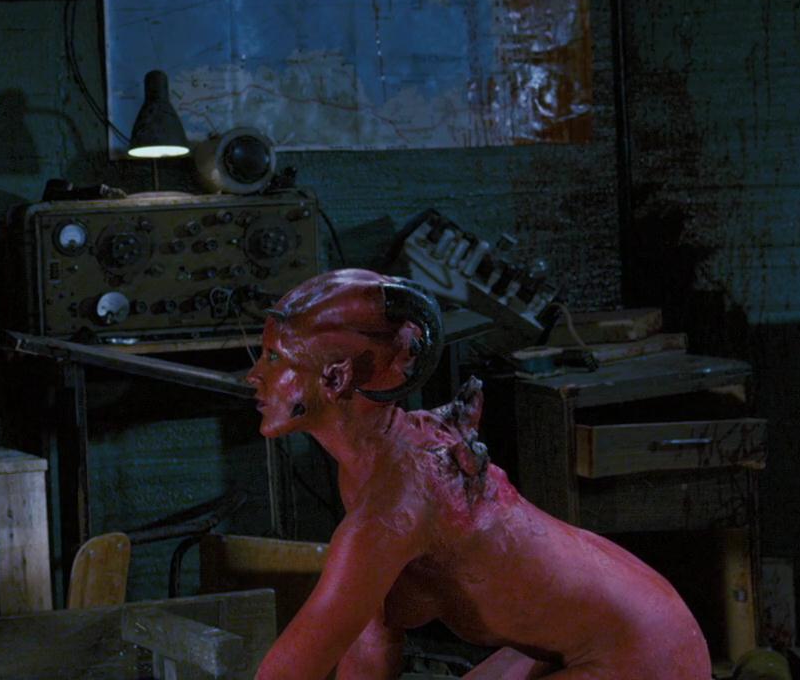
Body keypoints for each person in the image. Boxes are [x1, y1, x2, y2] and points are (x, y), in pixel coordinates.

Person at [244, 269, 709, 679]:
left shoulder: (392, 506)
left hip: (650, 654)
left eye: (273, 358)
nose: (253, 375)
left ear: (336, 378)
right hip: (630, 628)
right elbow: (371, 637)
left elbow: (290, 671)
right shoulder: (378, 464)